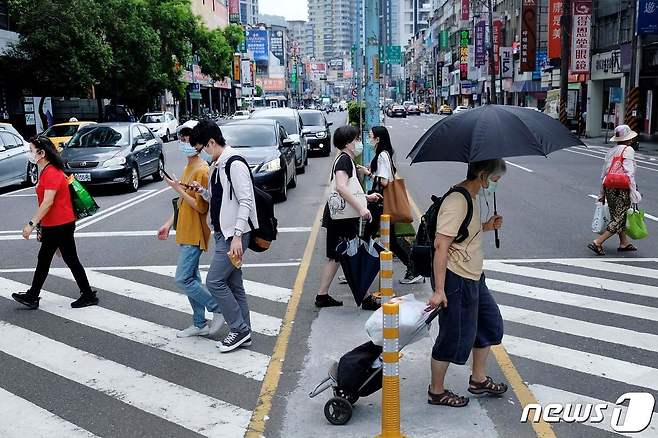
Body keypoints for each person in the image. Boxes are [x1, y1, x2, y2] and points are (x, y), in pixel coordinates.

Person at [425, 159, 508, 407]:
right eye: (494, 181)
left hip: (474, 276)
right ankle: (436, 391)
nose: (494, 186)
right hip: (456, 278)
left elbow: (462, 234)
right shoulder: (457, 201)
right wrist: (440, 290)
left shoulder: (471, 197)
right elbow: (441, 245)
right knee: (452, 335)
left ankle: (478, 379)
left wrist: (486, 226)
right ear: (482, 176)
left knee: (489, 324)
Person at [188, 120, 258, 353]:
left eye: (202, 148)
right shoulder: (219, 163)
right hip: (224, 233)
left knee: (215, 281)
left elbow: (246, 200)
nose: (202, 153)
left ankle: (238, 329)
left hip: (233, 235)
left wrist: (237, 235)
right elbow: (223, 200)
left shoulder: (234, 163)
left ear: (211, 142)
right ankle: (244, 331)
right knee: (233, 283)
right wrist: (204, 193)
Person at [12, 136, 98, 309]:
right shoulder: (48, 170)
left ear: (42, 153)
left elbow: (48, 202)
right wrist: (42, 226)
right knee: (53, 259)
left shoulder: (51, 172)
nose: (30, 153)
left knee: (60, 259)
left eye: (31, 150)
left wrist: (32, 224)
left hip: (60, 224)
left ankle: (86, 294)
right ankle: (34, 295)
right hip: (56, 224)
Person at [157, 121, 225, 338]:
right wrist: (169, 224)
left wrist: (176, 188)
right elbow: (183, 202)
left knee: (183, 279)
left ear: (199, 144)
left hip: (195, 233)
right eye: (182, 139)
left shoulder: (202, 169)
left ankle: (217, 308)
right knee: (192, 280)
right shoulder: (189, 167)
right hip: (185, 231)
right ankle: (199, 323)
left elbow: (201, 206)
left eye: (189, 140)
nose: (185, 144)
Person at [316, 125, 382, 309]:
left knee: (337, 256)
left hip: (339, 216)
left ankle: (322, 296)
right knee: (351, 254)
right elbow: (341, 187)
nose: (359, 143)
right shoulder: (344, 160)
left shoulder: (345, 159)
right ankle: (366, 298)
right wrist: (361, 208)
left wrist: (365, 198)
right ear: (348, 143)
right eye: (356, 140)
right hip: (342, 218)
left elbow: (348, 188)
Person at [358, 126, 424, 285]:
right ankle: (414, 269)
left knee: (366, 235)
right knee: (391, 240)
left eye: (371, 136)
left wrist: (370, 174)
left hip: (380, 202)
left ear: (378, 139)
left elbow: (384, 181)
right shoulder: (384, 154)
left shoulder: (382, 155)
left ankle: (357, 270)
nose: (369, 139)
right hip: (382, 202)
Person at [588, 125, 642, 256]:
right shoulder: (628, 150)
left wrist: (602, 193)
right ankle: (598, 242)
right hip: (621, 189)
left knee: (616, 215)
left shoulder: (611, 151)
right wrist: (633, 191)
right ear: (629, 139)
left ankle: (624, 242)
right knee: (620, 218)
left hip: (609, 187)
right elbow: (629, 173)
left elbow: (604, 173)